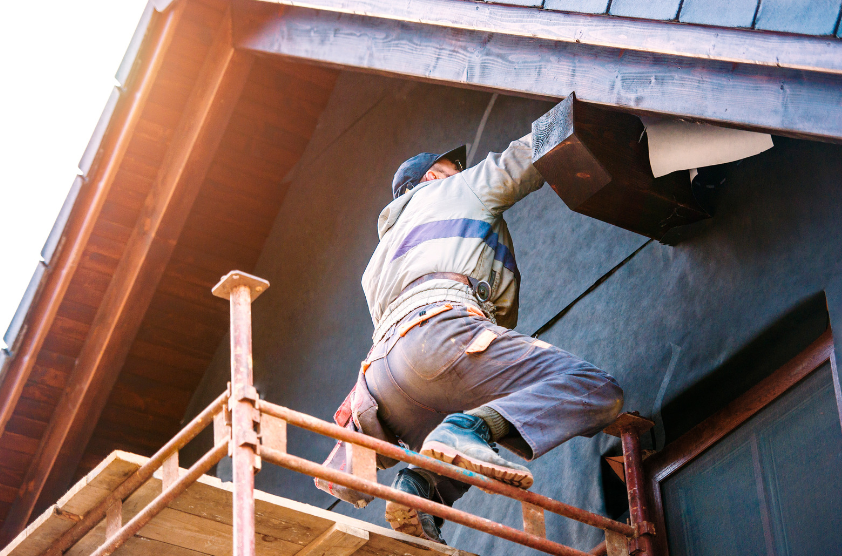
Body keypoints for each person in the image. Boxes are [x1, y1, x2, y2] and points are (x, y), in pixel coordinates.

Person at [359, 134, 624, 544]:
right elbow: (520, 160)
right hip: (438, 335)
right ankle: (464, 432)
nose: (461, 173)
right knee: (595, 388)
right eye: (453, 168)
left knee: (469, 423)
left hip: (383, 384)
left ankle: (419, 488)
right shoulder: (451, 190)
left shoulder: (379, 257)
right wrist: (582, 114)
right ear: (433, 176)